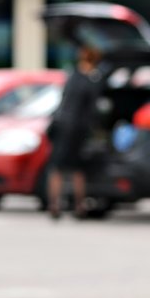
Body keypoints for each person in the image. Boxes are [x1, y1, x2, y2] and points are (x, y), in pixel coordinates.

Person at [46, 45, 105, 219]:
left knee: (56, 167)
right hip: (78, 129)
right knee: (78, 169)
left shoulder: (73, 76)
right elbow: (94, 108)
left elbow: (63, 101)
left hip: (61, 125)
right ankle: (79, 207)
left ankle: (54, 205)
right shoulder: (93, 80)